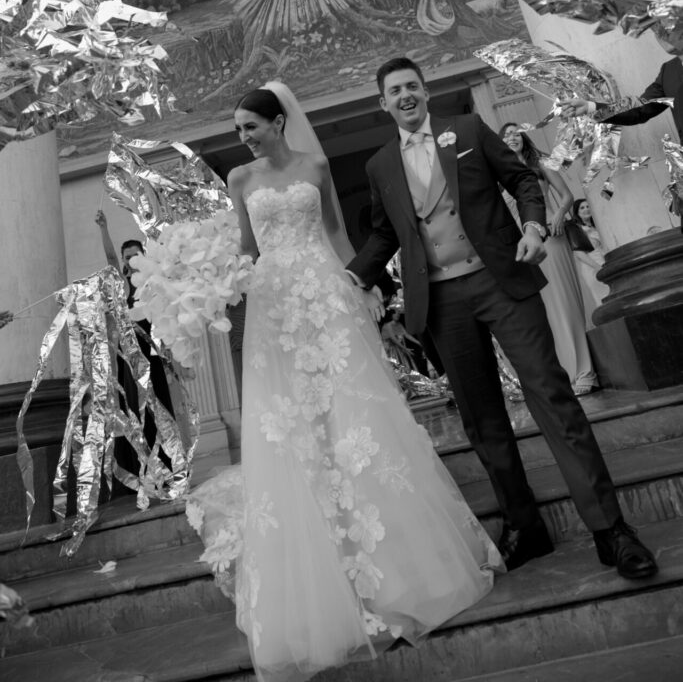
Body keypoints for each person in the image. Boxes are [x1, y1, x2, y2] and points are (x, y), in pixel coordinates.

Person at [186, 81, 502, 682]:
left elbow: (335, 234)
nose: (244, 138)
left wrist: (361, 289)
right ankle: (325, 565)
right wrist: (210, 282)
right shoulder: (240, 179)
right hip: (275, 307)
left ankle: (394, 559)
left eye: (251, 126)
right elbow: (247, 249)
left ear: (278, 122)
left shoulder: (316, 166)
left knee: (354, 412)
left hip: (326, 295)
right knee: (294, 422)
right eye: (238, 130)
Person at [347, 56, 657, 582]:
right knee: (482, 418)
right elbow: (384, 232)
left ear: (425, 91)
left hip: (501, 280)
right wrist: (353, 276)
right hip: (441, 302)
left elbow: (523, 180)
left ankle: (611, 530)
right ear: (383, 103)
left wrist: (533, 227)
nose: (405, 95)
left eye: (412, 86)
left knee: (551, 394)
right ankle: (524, 526)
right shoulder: (379, 166)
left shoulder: (468, 129)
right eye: (394, 90)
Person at [499, 124, 597, 396]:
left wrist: (558, 215)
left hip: (551, 237)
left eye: (515, 133)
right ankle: (564, 374)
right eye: (506, 136)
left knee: (565, 304)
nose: (512, 137)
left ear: (523, 137)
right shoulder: (500, 174)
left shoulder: (541, 163)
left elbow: (566, 196)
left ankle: (584, 372)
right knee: (547, 313)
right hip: (524, 250)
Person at [95, 211, 174, 483]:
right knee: (138, 414)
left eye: (135, 255)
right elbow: (109, 258)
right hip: (131, 361)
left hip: (153, 357)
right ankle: (145, 471)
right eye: (127, 257)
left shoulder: (153, 284)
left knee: (160, 410)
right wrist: (104, 227)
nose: (130, 261)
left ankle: (168, 466)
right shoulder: (122, 286)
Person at [571, 198, 609, 329]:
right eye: (582, 208)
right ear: (577, 213)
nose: (586, 209)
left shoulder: (595, 227)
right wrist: (597, 267)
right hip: (592, 268)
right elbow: (579, 254)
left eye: (588, 206)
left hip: (605, 264)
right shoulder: (578, 230)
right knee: (602, 299)